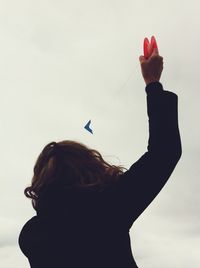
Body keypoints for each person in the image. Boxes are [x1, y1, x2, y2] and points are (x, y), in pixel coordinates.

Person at [18, 47, 182, 268]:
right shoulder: (108, 208)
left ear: (41, 182)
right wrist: (152, 82)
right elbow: (164, 151)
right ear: (90, 168)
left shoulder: (31, 236)